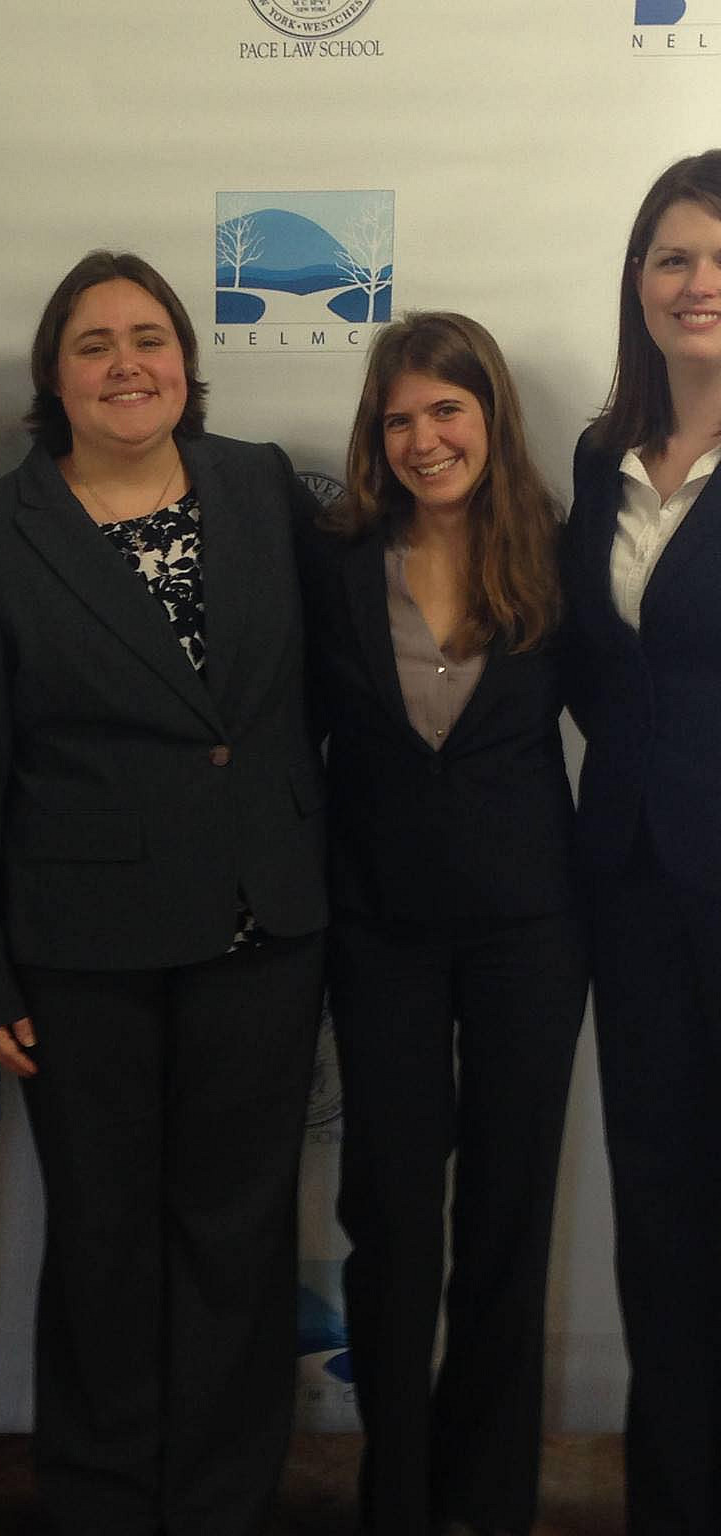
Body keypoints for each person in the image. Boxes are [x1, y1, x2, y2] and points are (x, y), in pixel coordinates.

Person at [0, 250, 328, 1536]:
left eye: (149, 337)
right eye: (94, 343)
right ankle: (102, 1500)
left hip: (262, 932)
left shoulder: (259, 485)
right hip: (83, 955)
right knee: (103, 1241)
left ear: (187, 361)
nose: (126, 364)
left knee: (239, 1236)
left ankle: (220, 1500)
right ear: (55, 372)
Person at [297, 313, 587, 1536]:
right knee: (394, 1217)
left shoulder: (561, 556)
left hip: (531, 928)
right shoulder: (335, 561)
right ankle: (399, 1494)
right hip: (381, 932)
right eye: (400, 418)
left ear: (490, 416)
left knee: (510, 1214)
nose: (424, 439)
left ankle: (491, 1492)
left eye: (446, 411)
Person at [562, 151, 721, 1535]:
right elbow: (587, 666)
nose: (699, 281)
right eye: (674, 255)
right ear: (638, 281)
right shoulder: (595, 456)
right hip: (626, 885)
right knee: (661, 1213)